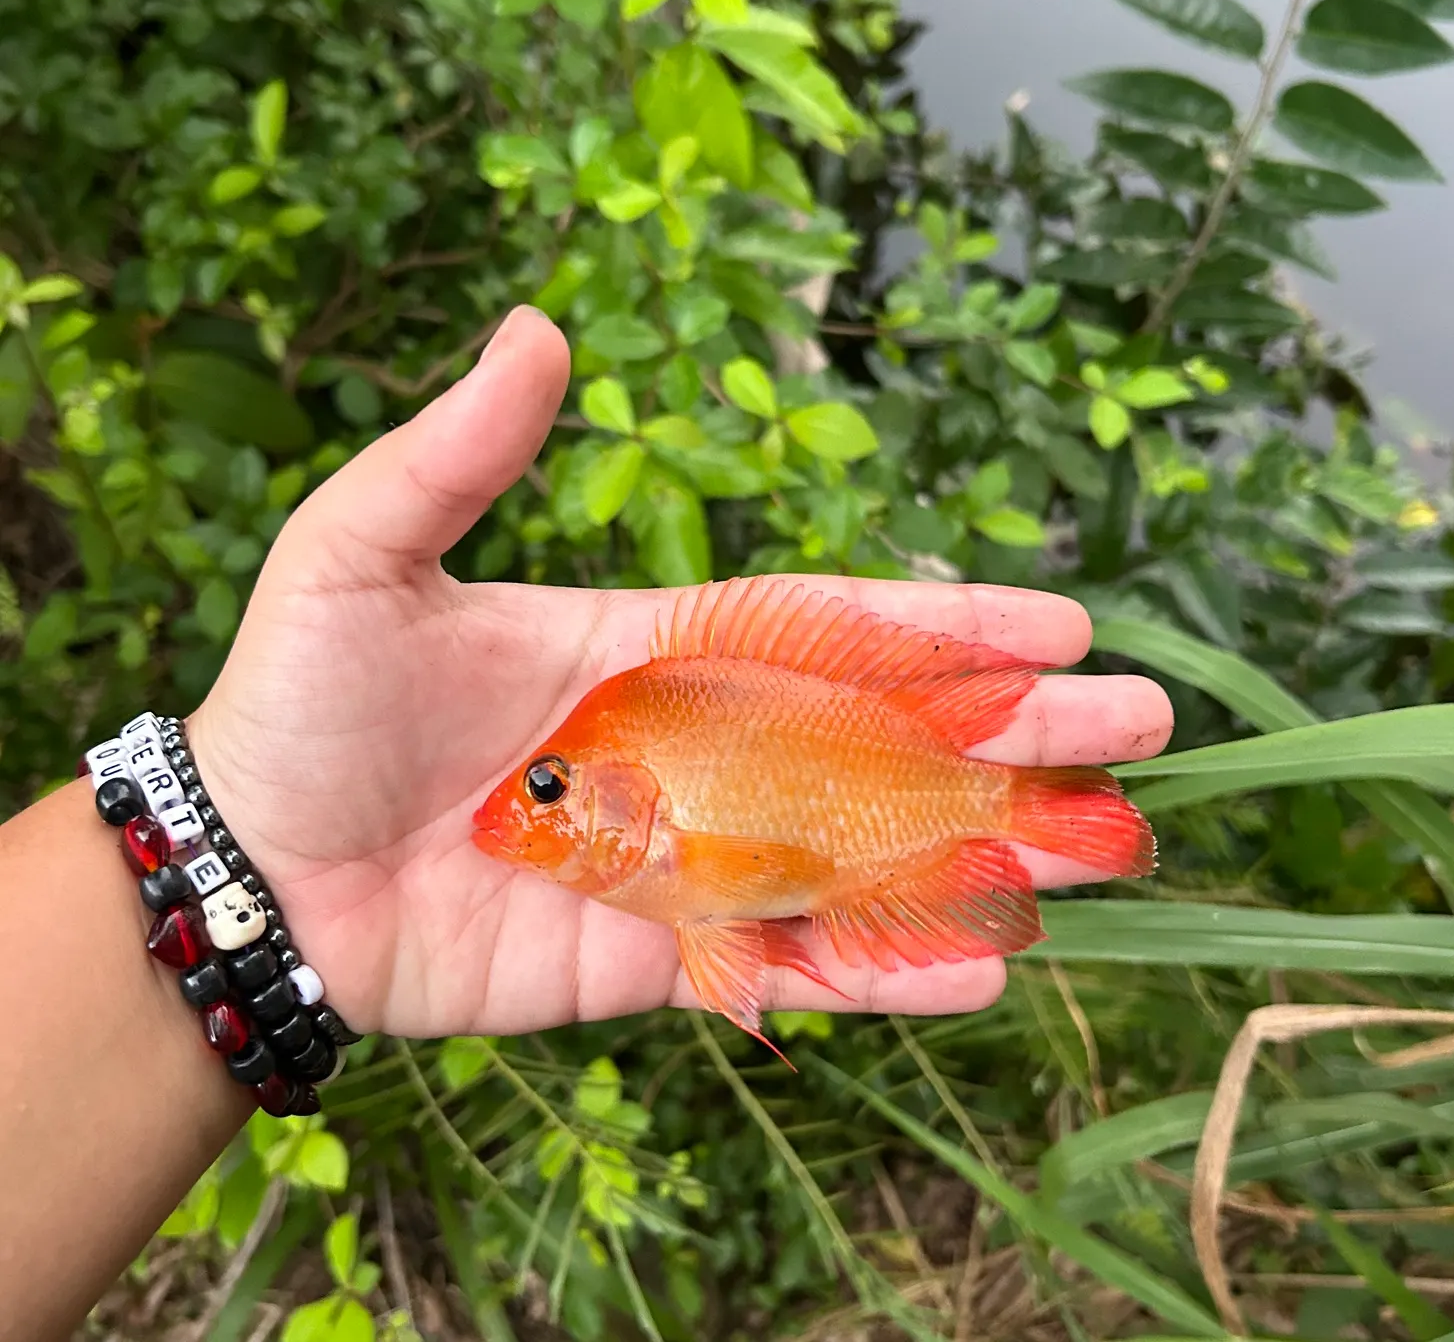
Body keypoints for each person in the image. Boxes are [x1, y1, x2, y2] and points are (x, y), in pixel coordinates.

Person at [0, 307, 1173, 1340]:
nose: (523, 805)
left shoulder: (663, 810)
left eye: (551, 785)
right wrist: (249, 843)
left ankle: (1031, 806)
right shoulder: (642, 834)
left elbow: (747, 875)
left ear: (620, 792)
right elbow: (740, 884)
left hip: (903, 798)